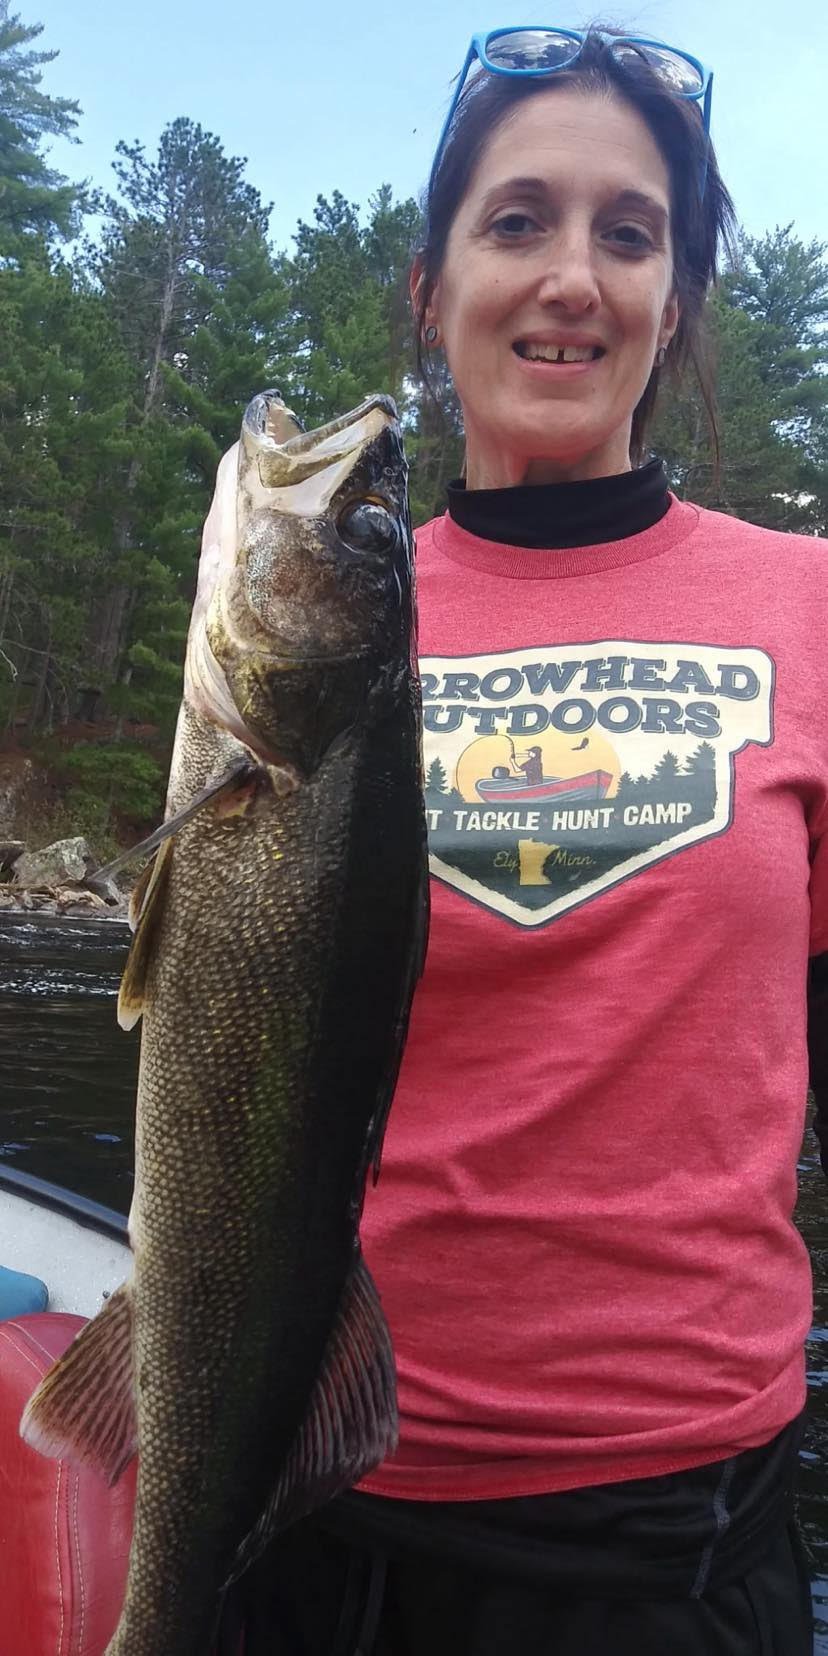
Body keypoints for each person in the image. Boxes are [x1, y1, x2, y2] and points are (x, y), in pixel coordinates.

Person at [232, 24, 827, 1655]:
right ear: (429, 289)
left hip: (666, 1537)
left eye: (628, 234)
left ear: (678, 298)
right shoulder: (322, 621)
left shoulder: (811, 608)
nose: (572, 275)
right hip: (299, 1483)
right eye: (518, 222)